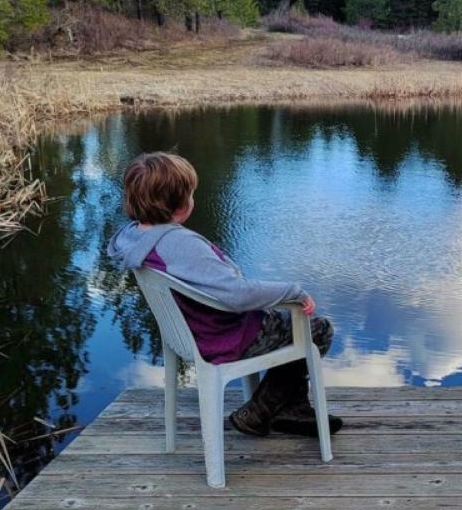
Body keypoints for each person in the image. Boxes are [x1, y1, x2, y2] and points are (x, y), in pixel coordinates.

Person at [107, 151, 342, 438]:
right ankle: (260, 411)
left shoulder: (132, 237)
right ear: (181, 206)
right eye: (191, 193)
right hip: (226, 336)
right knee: (318, 329)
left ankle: (293, 409)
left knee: (291, 326)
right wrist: (294, 291)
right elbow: (237, 295)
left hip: (194, 332)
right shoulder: (178, 244)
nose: (193, 198)